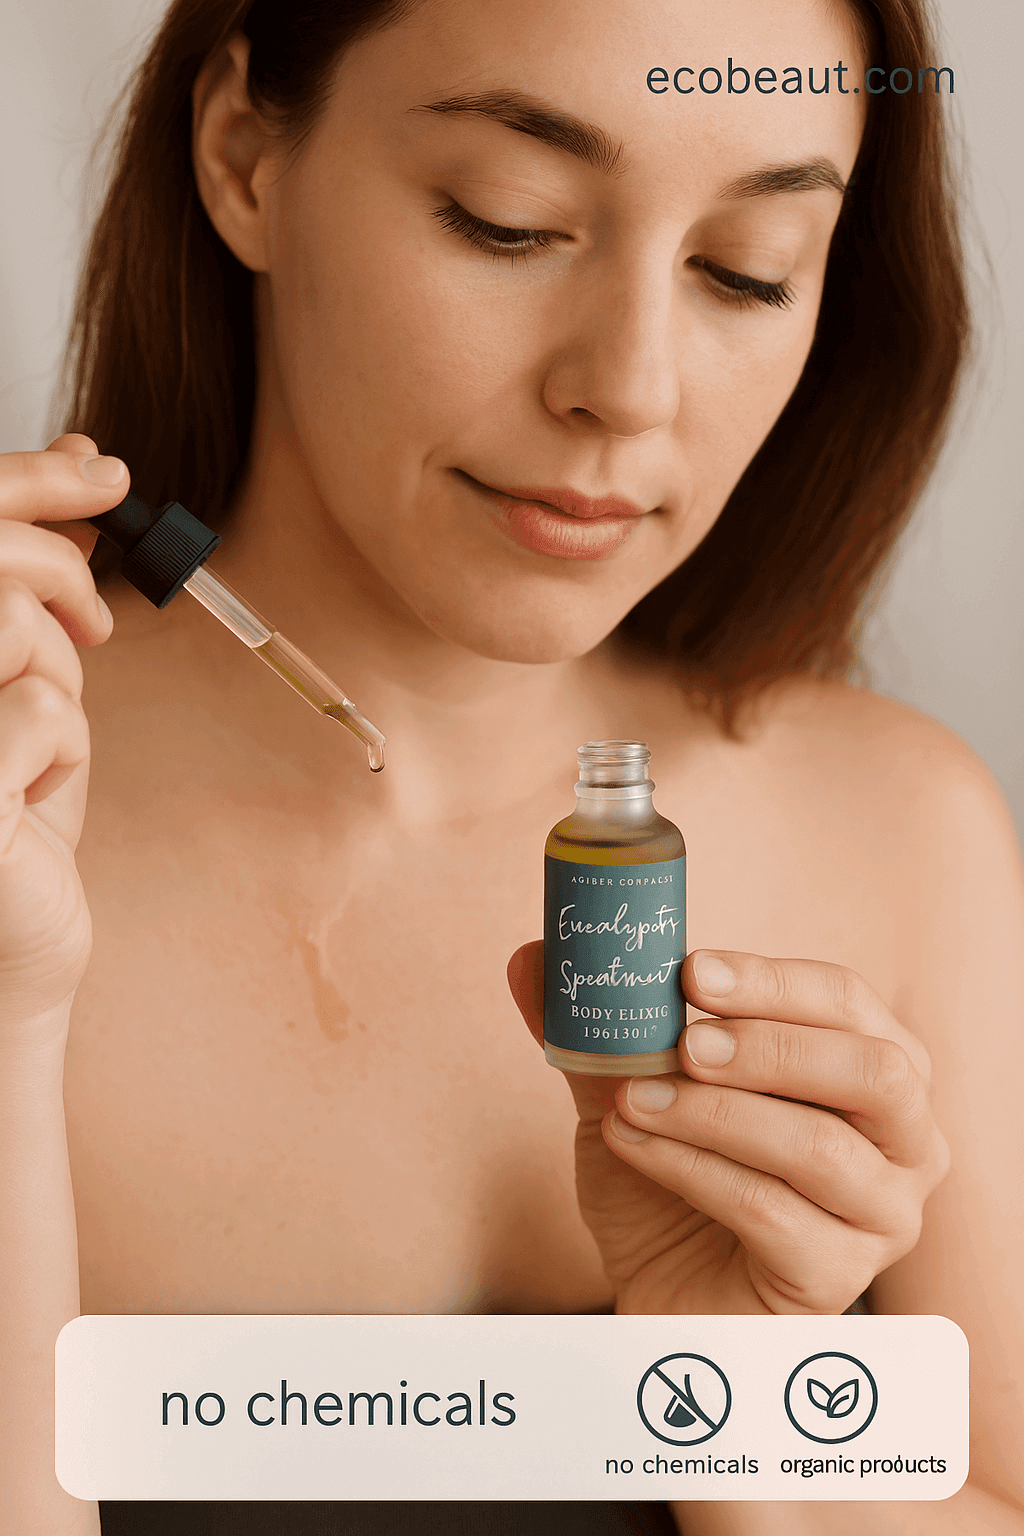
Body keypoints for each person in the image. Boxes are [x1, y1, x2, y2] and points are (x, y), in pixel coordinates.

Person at [1, 0, 1021, 1532]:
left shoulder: (904, 833)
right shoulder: (23, 835)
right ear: (242, 158)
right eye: (510, 221)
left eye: (748, 272)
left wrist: (737, 1417)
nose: (631, 387)